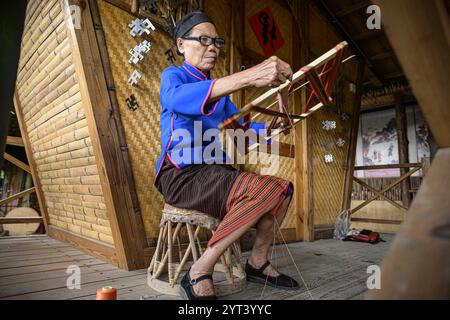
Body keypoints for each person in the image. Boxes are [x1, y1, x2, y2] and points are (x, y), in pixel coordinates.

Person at [154, 10, 299, 300]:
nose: (213, 47)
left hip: (215, 173)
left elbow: (241, 130)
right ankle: (199, 270)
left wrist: (270, 126)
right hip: (182, 174)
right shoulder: (174, 76)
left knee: (282, 190)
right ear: (181, 44)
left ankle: (258, 262)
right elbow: (176, 100)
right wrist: (251, 75)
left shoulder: (220, 93)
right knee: (269, 189)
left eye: (216, 41)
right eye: (203, 40)